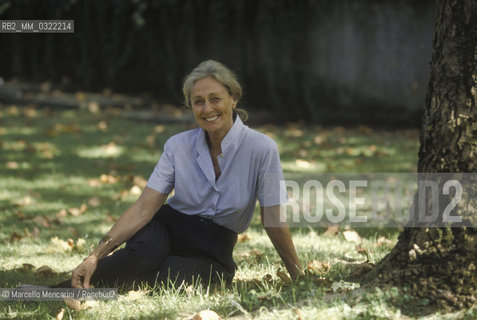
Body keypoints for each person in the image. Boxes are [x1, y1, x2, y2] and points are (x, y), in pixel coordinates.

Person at [68, 60, 303, 289]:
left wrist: (298, 275)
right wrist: (94, 256)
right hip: (167, 227)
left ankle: (107, 279)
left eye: (215, 99)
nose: (207, 108)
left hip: (214, 246)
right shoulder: (177, 146)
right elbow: (143, 208)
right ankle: (62, 289)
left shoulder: (262, 149)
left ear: (234, 99)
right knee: (140, 258)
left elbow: (273, 220)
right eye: (198, 102)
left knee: (170, 278)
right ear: (191, 106)